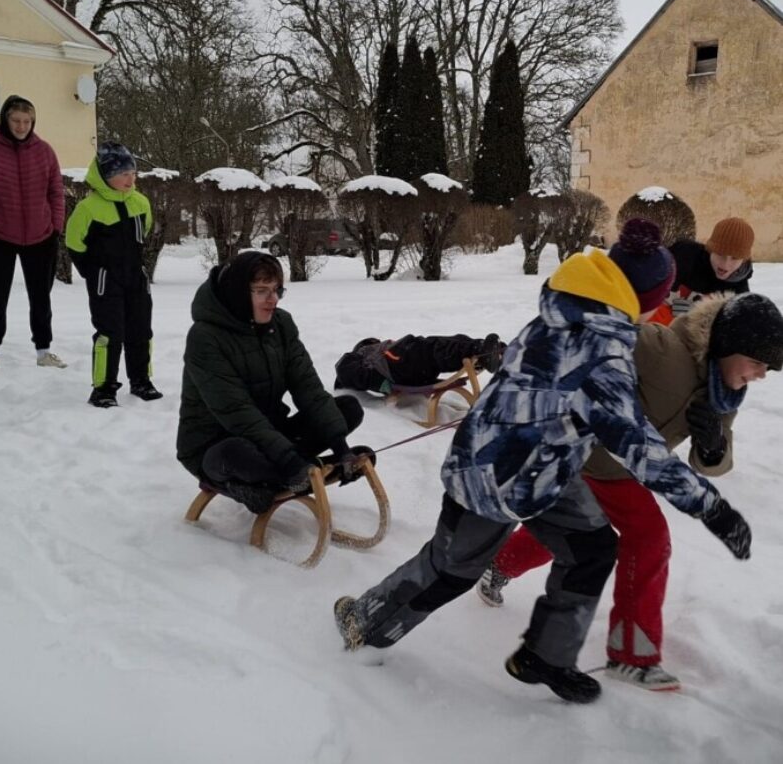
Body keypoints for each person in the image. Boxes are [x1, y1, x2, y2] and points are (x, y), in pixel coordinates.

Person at [332, 220, 752, 704]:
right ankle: (366, 621)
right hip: (491, 473)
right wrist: (713, 510)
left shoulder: (571, 306)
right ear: (642, 298)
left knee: (592, 550)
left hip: (549, 469)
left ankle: (546, 656)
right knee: (451, 570)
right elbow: (638, 446)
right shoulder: (602, 351)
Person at [477, 290, 783, 691]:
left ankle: (501, 565)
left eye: (769, 369)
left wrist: (712, 444)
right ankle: (630, 654)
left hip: (620, 471)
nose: (761, 375)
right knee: (621, 535)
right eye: (758, 363)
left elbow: (712, 463)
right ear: (729, 345)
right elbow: (591, 343)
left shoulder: (723, 393)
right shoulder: (660, 348)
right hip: (578, 451)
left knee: (595, 533)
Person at [177, 250, 369, 515]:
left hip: (270, 436)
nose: (273, 300)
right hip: (216, 446)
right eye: (262, 291)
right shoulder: (205, 337)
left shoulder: (280, 324)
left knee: (347, 408)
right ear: (238, 293)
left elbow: (308, 388)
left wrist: (341, 448)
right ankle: (284, 471)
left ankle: (283, 473)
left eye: (277, 290)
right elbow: (237, 412)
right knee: (238, 452)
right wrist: (290, 460)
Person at [0, 95, 66, 371]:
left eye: (27, 121)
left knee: (41, 297)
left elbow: (56, 191)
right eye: (16, 120)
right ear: (5, 120)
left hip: (41, 235)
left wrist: (56, 225)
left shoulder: (44, 151)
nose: (21, 126)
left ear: (33, 122)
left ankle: (44, 350)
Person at [65, 141, 162, 408]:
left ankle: (141, 380)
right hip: (106, 281)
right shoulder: (89, 208)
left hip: (136, 278)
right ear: (106, 176)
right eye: (123, 175)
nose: (130, 180)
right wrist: (93, 272)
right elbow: (74, 242)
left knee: (141, 329)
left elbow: (146, 231)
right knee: (110, 332)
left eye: (132, 174)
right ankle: (104, 387)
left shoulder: (141, 203)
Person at [649, 216, 754, 325]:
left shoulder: (739, 294)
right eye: (720, 254)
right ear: (710, 249)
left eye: (735, 258)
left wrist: (695, 313)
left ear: (744, 260)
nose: (725, 264)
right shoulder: (684, 255)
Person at [334, 332, 506, 394]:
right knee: (429, 348)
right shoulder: (360, 356)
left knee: (442, 344)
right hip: (393, 368)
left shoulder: (374, 354)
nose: (377, 341)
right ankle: (481, 349)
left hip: (401, 365)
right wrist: (381, 384)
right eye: (373, 341)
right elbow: (343, 369)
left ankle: (486, 350)